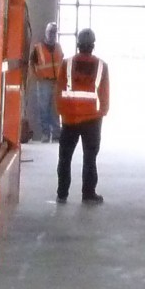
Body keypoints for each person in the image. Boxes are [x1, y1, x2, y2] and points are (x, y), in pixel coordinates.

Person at [55, 28, 108, 204]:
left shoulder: (66, 64)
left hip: (69, 119)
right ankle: (88, 194)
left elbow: (59, 90)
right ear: (93, 45)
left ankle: (62, 193)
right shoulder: (101, 66)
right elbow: (104, 93)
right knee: (90, 158)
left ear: (78, 45)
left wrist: (63, 112)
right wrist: (102, 112)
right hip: (92, 120)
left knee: (64, 158)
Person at [27, 21, 64, 143]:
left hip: (56, 82)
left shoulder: (58, 47)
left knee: (56, 108)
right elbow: (31, 64)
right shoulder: (38, 48)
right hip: (43, 82)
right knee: (44, 108)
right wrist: (36, 76)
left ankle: (57, 134)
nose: (52, 35)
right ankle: (45, 133)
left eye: (54, 32)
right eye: (50, 32)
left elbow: (62, 63)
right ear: (46, 33)